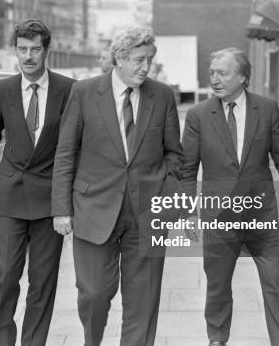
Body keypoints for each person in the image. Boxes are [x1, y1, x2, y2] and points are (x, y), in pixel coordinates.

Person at [51, 26, 184, 345]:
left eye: (150, 60)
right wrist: (61, 209)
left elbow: (175, 156)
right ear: (119, 58)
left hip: (148, 215)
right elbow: (66, 152)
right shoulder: (84, 92)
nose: (146, 67)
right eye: (139, 60)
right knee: (94, 294)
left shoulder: (162, 95)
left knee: (143, 299)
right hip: (94, 210)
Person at [181, 48, 279, 346]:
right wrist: (188, 211)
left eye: (222, 73)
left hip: (260, 216)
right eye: (212, 72)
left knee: (275, 281)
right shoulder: (198, 115)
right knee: (217, 285)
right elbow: (186, 169)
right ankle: (217, 339)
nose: (214, 78)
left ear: (242, 76)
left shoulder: (266, 109)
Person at [0, 19, 76, 346]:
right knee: (5, 278)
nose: (28, 56)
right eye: (22, 49)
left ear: (46, 50)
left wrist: (70, 200)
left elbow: (76, 145)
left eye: (35, 49)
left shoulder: (68, 89)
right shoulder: (3, 90)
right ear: (15, 51)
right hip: (9, 196)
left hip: (50, 199)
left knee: (42, 282)